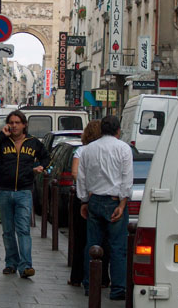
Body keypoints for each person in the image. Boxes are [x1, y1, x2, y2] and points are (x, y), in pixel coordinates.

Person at [0, 110, 50, 279]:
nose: (14, 125)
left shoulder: (33, 143)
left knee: (23, 230)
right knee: (8, 231)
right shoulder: (3, 141)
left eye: (17, 122)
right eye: (11, 122)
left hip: (24, 192)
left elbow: (47, 157)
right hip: (4, 191)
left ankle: (26, 266)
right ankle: (11, 263)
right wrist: (1, 135)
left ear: (24, 124)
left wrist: (41, 167)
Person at [76, 116, 133, 300]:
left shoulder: (88, 149)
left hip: (94, 200)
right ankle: (118, 289)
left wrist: (84, 200)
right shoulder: (123, 148)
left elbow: (82, 178)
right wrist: (123, 204)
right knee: (118, 247)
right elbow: (127, 178)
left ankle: (89, 285)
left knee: (92, 245)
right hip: (114, 200)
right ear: (118, 131)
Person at [68, 120, 108, 287]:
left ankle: (78, 276)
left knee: (81, 239)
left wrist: (85, 187)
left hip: (83, 197)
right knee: (103, 240)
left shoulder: (81, 150)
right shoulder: (107, 149)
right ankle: (103, 278)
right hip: (103, 196)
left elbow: (75, 173)